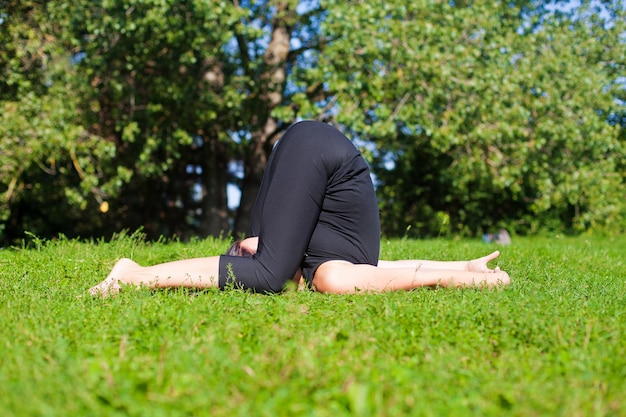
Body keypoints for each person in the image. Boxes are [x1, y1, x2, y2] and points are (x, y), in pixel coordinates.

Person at [90, 121, 510, 296]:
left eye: (241, 253)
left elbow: (398, 273)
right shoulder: (327, 267)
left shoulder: (323, 269)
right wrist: (465, 270)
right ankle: (135, 274)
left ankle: (134, 275)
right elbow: (393, 270)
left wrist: (464, 276)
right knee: (276, 273)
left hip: (312, 152)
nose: (249, 249)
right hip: (316, 151)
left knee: (270, 275)